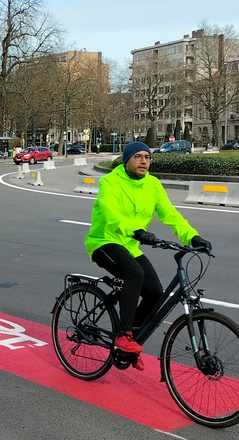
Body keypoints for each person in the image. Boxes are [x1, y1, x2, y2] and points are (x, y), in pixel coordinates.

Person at [84, 141, 211, 370]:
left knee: (155, 294)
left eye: (148, 157)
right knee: (134, 273)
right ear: (127, 160)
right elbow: (112, 215)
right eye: (138, 157)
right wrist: (137, 231)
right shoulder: (109, 182)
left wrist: (193, 237)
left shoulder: (153, 184)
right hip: (104, 241)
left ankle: (128, 340)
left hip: (130, 245)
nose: (144, 161)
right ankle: (123, 335)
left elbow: (170, 214)